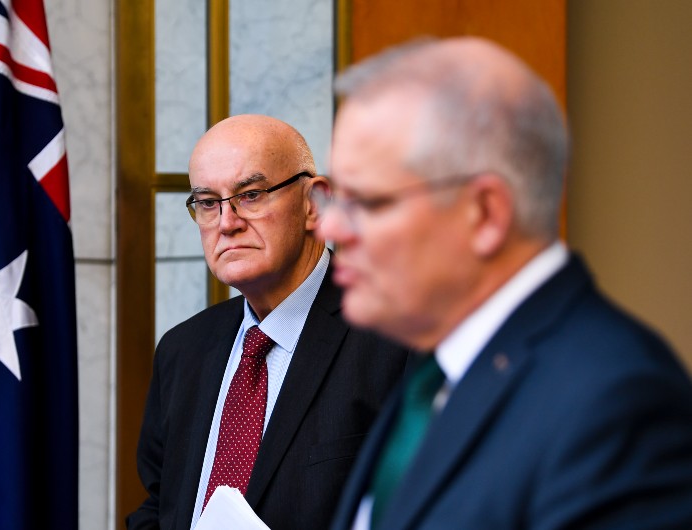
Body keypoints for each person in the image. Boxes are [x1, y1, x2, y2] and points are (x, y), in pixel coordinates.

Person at [315, 37, 692, 530]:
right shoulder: (434, 373)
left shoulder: (615, 403)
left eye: (366, 202)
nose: (331, 229)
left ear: (486, 214)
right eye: (335, 199)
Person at [125, 114, 410, 530]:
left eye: (251, 195)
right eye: (207, 202)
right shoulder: (182, 350)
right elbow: (160, 505)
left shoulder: (396, 337)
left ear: (314, 205)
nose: (227, 222)